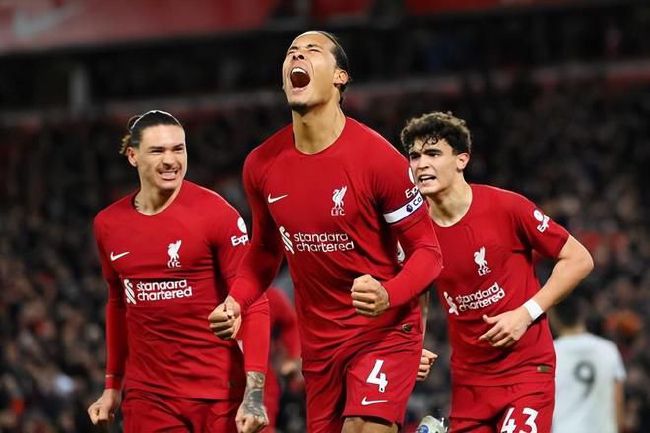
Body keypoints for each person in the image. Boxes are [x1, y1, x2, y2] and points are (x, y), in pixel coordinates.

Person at [209, 31, 444, 433]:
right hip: (320, 346)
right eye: (291, 53)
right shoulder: (262, 165)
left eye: (312, 50)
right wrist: (236, 302)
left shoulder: (378, 160)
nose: (297, 55)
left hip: (383, 330)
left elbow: (429, 252)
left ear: (340, 77)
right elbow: (264, 254)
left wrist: (389, 294)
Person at [401, 111, 594, 433]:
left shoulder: (506, 207)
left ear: (462, 160)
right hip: (469, 383)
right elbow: (418, 290)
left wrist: (525, 313)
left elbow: (579, 259)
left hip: (526, 371)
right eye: (414, 156)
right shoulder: (414, 231)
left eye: (433, 154)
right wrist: (413, 345)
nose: (421, 164)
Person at [87, 110, 270, 433]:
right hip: (149, 398)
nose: (171, 160)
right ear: (133, 156)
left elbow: (254, 299)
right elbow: (118, 305)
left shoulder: (216, 214)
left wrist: (254, 394)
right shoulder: (108, 225)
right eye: (158, 151)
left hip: (219, 395)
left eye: (178, 149)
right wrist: (112, 386)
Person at [551, 295, 626, 433]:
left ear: (553, 317)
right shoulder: (609, 349)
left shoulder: (551, 353)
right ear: (582, 314)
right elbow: (618, 402)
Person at [264, 286, 302, 433]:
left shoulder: (269, 294)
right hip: (218, 375)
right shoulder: (209, 292)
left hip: (262, 378)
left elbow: (290, 322)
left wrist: (292, 357)